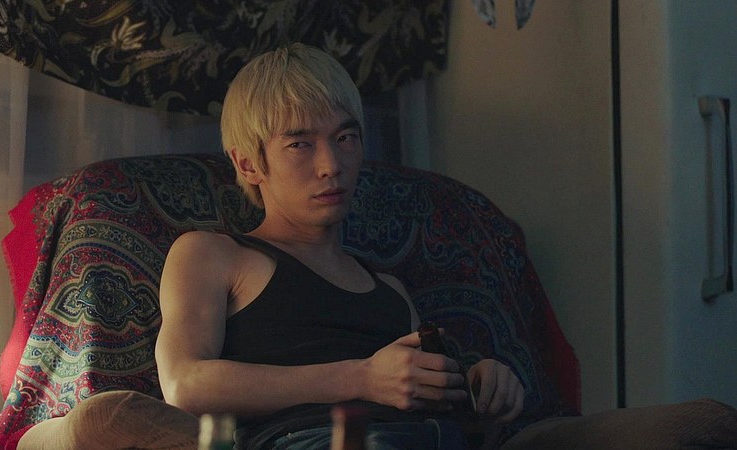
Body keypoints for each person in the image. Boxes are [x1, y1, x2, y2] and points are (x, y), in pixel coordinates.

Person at [155, 43, 525, 450]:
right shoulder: (215, 255)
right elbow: (185, 385)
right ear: (248, 164)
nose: (332, 165)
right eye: (300, 144)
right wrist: (362, 378)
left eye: (345, 137)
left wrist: (481, 390)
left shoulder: (390, 288)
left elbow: (441, 410)